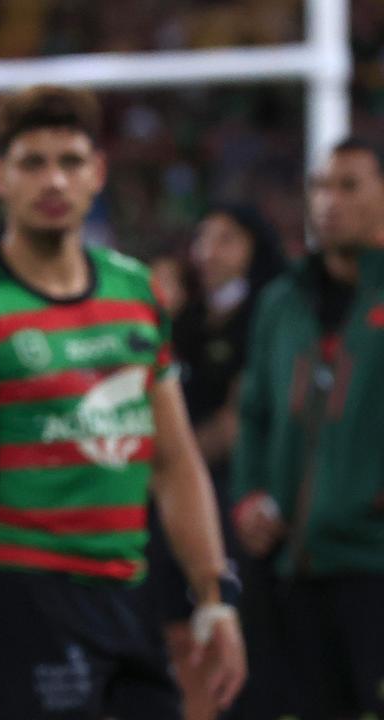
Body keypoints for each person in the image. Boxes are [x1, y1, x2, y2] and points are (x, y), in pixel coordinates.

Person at [0, 85, 246, 720]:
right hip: (20, 597)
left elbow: (175, 460)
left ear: (98, 173)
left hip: (131, 593)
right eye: (33, 162)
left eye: (71, 161)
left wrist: (215, 595)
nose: (54, 179)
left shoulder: (136, 290)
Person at [232, 137, 384, 720]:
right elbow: (254, 416)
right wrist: (247, 499)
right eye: (321, 187)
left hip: (373, 563)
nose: (330, 202)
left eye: (349, 186)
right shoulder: (280, 302)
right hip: (292, 564)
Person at [143, 206, 285, 720]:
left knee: (221, 626)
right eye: (203, 237)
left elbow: (236, 422)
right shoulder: (190, 320)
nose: (208, 251)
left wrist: (168, 457)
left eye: (227, 239)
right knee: (176, 630)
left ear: (255, 247)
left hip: (226, 496)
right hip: (171, 497)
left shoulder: (267, 316)